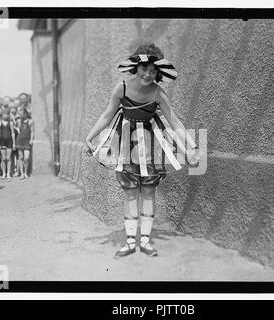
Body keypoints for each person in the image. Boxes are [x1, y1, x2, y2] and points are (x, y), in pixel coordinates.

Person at [85, 43, 199, 258]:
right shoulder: (122, 88)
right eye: (144, 68)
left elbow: (174, 121)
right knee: (130, 193)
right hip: (126, 145)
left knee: (148, 191)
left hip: (151, 146)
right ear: (136, 67)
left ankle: (145, 241)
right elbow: (107, 115)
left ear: (158, 72)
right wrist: (90, 137)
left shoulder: (157, 92)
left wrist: (192, 146)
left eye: (153, 70)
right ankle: (129, 242)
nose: (148, 73)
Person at [15, 108, 34, 179]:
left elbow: (32, 131)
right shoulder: (19, 121)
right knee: (20, 157)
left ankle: (26, 172)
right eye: (20, 114)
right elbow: (16, 127)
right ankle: (22, 174)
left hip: (27, 141)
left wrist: (31, 139)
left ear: (25, 114)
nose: (21, 115)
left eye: (22, 114)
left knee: (26, 158)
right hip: (19, 140)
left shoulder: (30, 121)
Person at [0, 112, 15, 179]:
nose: (6, 115)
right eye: (5, 114)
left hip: (9, 141)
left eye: (7, 114)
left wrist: (14, 143)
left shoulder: (10, 123)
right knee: (3, 158)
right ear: (2, 115)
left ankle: (8, 173)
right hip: (2, 141)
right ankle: (4, 173)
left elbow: (13, 133)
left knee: (8, 158)